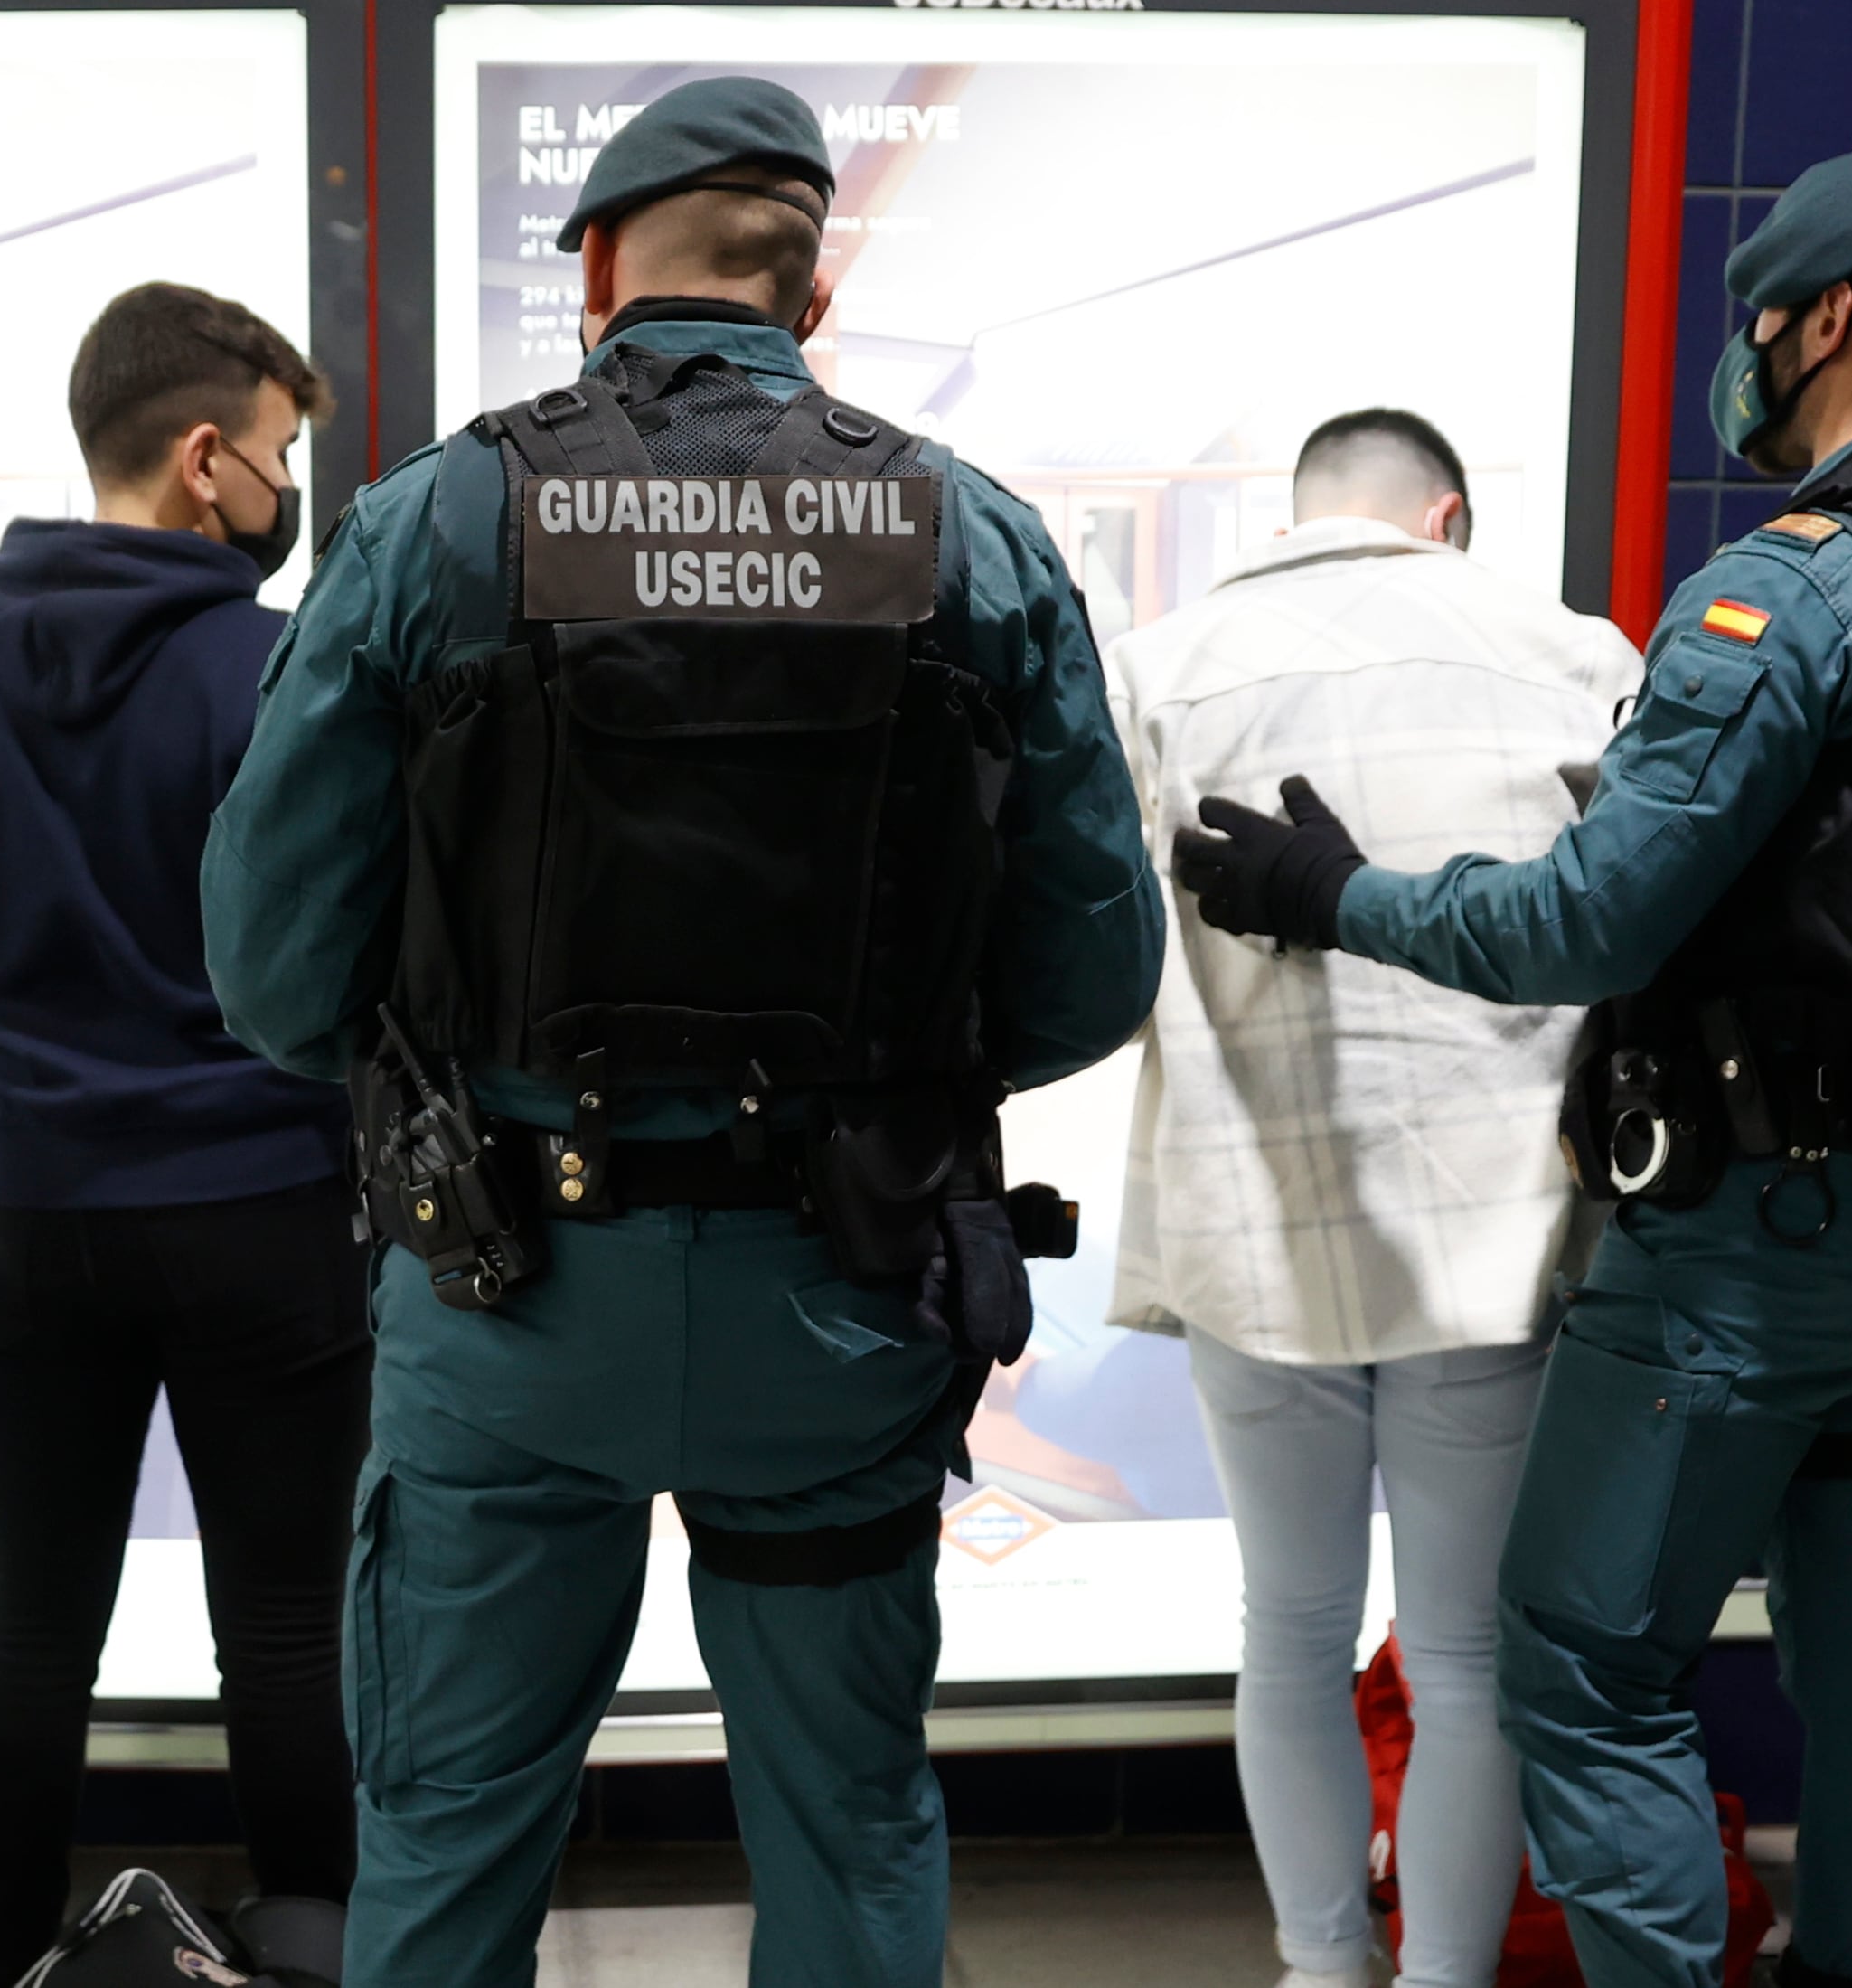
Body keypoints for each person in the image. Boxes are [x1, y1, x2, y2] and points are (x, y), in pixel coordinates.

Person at [201, 77, 1160, 1988]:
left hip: (507, 1302)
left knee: (454, 1829)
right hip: (842, 1296)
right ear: (809, 297)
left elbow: (270, 971)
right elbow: (1087, 974)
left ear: (592, 277)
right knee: (849, 1820)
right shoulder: (973, 538)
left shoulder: (433, 520)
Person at [1167, 129, 1852, 1988]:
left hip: (1751, 1249)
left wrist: (1331, 887)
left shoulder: (1784, 592)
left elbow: (1579, 926)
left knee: (1572, 1662)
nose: (1744, 349)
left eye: (1758, 313)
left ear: (1827, 317)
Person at [1103, 407, 1637, 1988]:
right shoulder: (1572, 650)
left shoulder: (1156, 670)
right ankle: (1447, 1980)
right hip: (1497, 1231)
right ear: (1446, 515)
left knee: (1291, 1631)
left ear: (1297, 514)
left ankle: (1322, 1965)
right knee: (1468, 1657)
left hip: (1254, 1216)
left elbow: (1105, 950)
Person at [0, 280, 362, 1988]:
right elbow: (334, 949)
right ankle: (310, 1958)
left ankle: (7, 1961)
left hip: (32, 1215)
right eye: (282, 456)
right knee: (289, 1630)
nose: (287, 495)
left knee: (38, 1621)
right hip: (265, 1213)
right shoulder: (269, 665)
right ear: (206, 457)